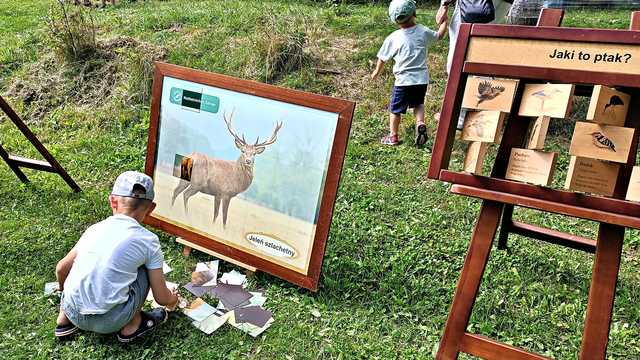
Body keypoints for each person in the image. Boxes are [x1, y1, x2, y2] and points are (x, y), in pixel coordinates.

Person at [54, 171, 179, 342]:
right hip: (111, 322)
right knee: (146, 268)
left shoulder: (95, 229)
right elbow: (161, 298)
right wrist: (173, 298)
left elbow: (61, 269)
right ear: (151, 208)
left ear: (113, 200)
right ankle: (132, 325)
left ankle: (63, 320)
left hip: (73, 311)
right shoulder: (148, 241)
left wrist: (63, 293)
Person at [371, 0, 447, 147]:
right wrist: (445, 21)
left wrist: (376, 72)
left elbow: (382, 58)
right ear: (414, 14)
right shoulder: (423, 31)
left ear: (394, 20)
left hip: (403, 82)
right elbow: (439, 36)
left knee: (395, 109)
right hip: (421, 80)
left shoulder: (393, 37)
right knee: (418, 103)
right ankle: (420, 123)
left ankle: (393, 136)